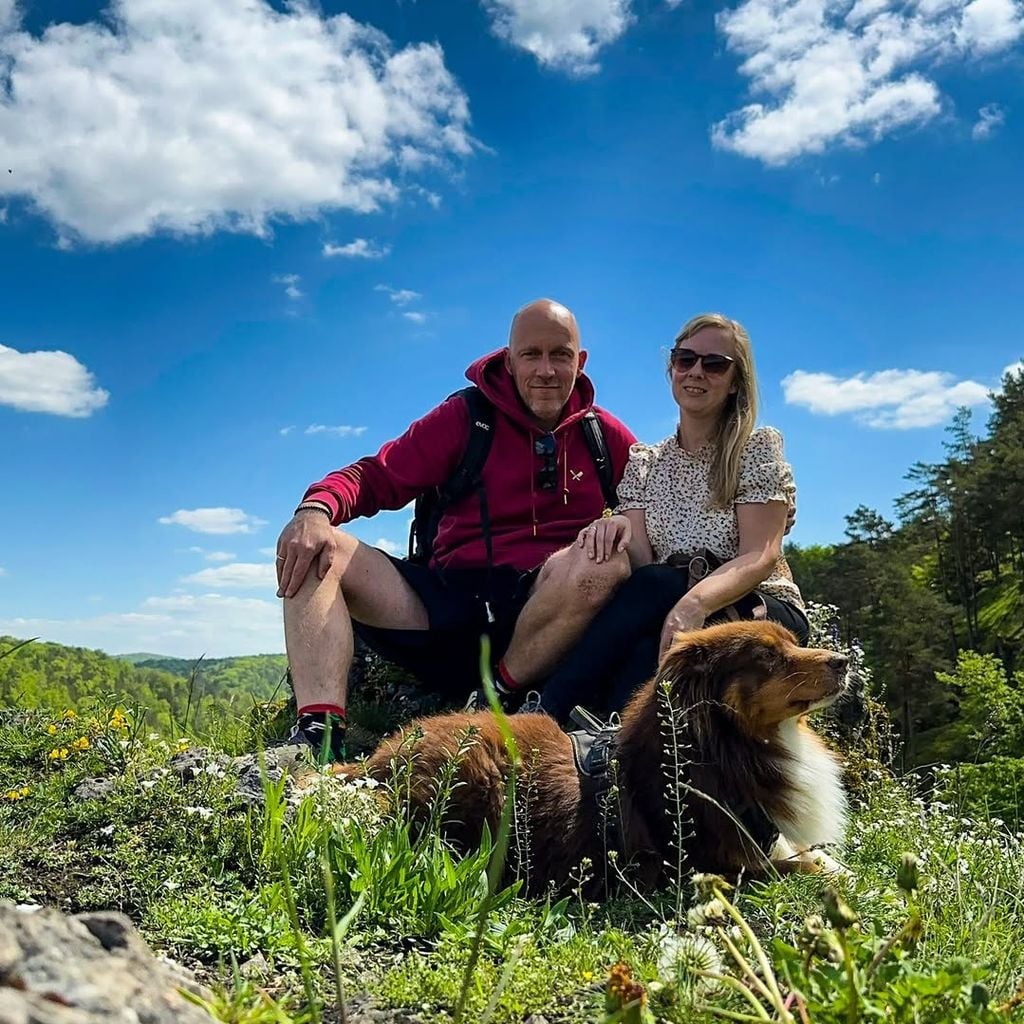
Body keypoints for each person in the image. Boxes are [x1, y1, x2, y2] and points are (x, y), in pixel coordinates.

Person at [274, 299, 636, 759]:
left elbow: (655, 506)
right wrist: (314, 509)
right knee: (317, 548)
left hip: (544, 611)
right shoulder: (466, 417)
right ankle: (318, 739)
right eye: (531, 354)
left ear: (579, 362)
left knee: (606, 563)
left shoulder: (603, 436)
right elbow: (378, 476)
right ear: (509, 360)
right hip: (446, 603)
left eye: (560, 355)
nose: (546, 370)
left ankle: (495, 696)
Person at [536, 312, 808, 724]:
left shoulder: (754, 450)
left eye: (714, 364)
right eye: (685, 359)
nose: (696, 371)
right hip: (665, 600)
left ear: (736, 381)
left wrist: (692, 604)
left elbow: (760, 555)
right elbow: (642, 562)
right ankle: (604, 742)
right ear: (672, 368)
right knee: (646, 639)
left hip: (759, 604)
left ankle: (543, 712)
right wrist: (611, 528)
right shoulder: (646, 463)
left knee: (658, 586)